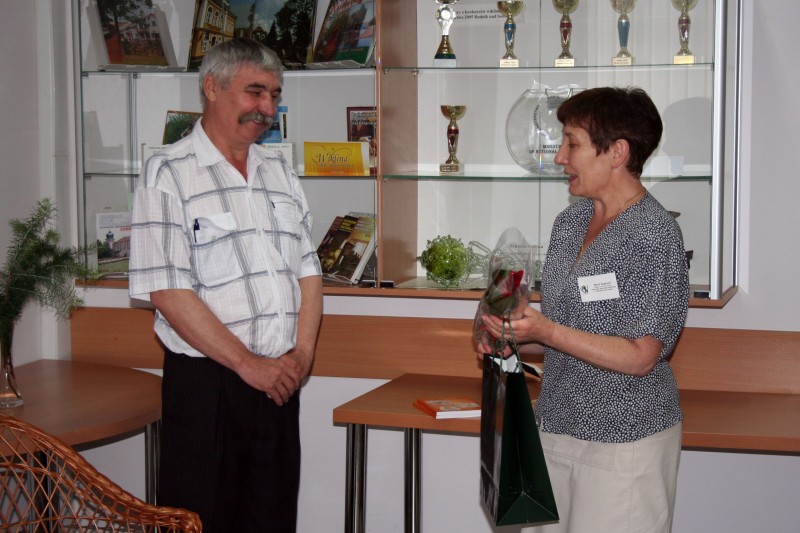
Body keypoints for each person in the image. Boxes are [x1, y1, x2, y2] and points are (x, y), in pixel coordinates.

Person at [128, 38, 323, 532]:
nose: (267, 108)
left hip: (279, 385)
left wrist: (301, 355)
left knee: (273, 521)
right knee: (202, 522)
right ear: (212, 87)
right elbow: (167, 290)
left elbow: (308, 271)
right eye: (255, 92)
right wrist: (247, 364)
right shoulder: (168, 172)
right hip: (208, 388)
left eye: (274, 95)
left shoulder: (279, 171)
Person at [480, 87, 688, 533]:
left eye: (571, 143)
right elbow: (564, 332)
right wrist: (509, 334)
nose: (560, 157)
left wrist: (546, 331)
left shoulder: (654, 235)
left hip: (623, 441)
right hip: (555, 426)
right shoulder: (569, 223)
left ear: (617, 152)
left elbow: (642, 356)